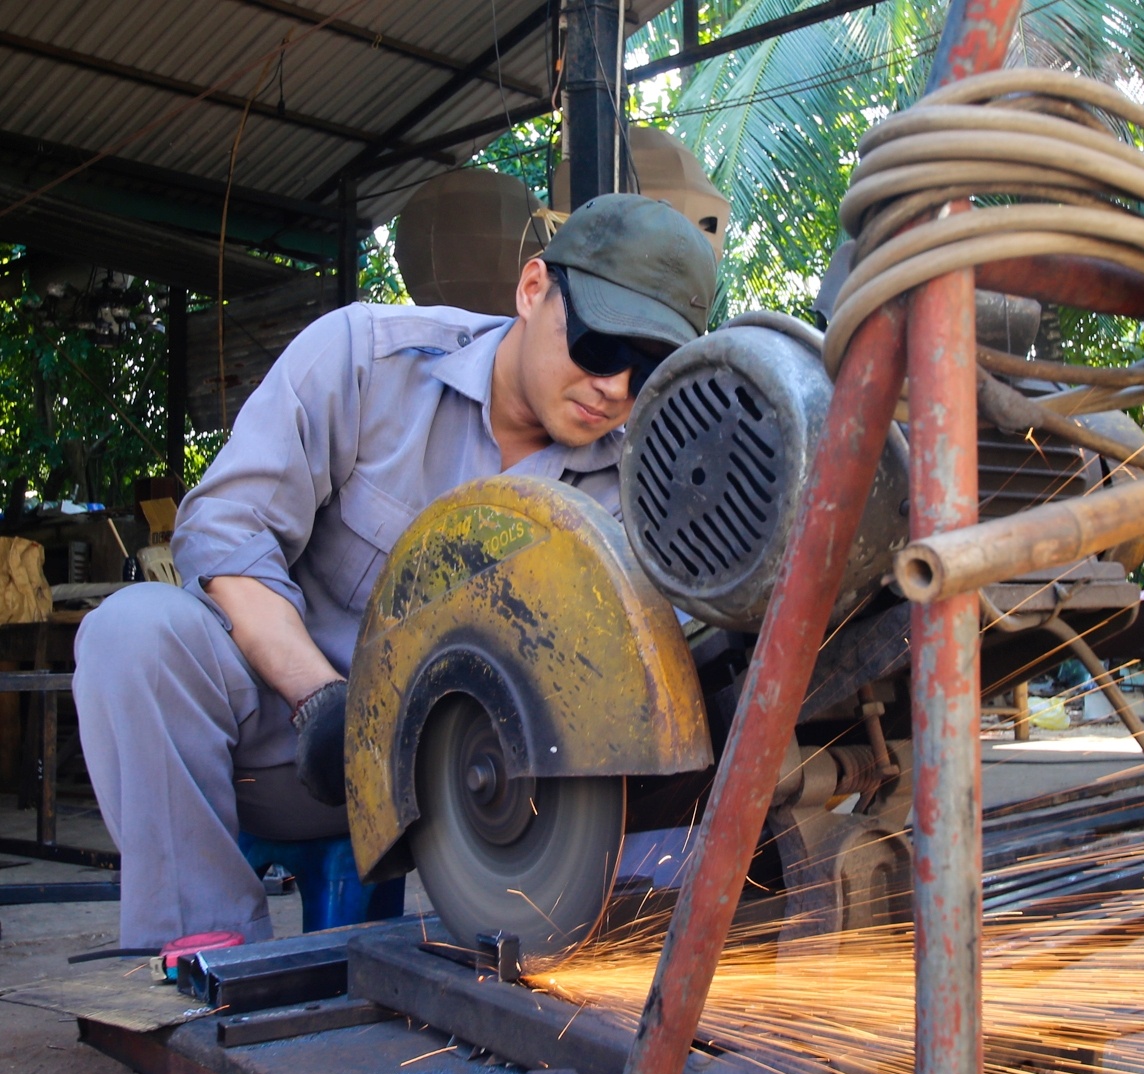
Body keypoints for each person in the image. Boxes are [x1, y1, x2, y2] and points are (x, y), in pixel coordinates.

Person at [74, 195, 716, 949]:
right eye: (600, 346)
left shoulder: (645, 481)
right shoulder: (365, 361)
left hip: (471, 789)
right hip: (295, 754)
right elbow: (226, 529)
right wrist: (321, 702)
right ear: (533, 289)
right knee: (133, 634)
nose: (615, 388)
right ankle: (205, 950)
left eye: (648, 369)